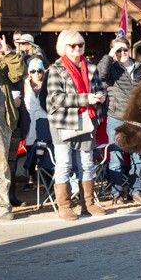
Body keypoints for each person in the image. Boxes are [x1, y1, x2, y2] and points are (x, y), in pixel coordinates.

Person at [46, 29, 107, 221]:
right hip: (62, 122)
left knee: (87, 163)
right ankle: (64, 206)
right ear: (63, 47)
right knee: (64, 164)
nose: (77, 49)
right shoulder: (55, 69)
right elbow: (56, 99)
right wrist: (86, 99)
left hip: (87, 120)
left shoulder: (91, 67)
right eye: (72, 45)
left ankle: (88, 203)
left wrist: (101, 96)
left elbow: (99, 89)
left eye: (80, 45)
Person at [97, 38, 141, 205]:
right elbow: (100, 73)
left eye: (125, 49)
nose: (122, 53)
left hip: (136, 120)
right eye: (118, 50)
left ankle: (136, 191)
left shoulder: (140, 68)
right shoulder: (111, 69)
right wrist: (110, 55)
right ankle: (116, 193)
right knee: (116, 157)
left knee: (137, 158)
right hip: (116, 118)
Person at [0, 35, 26, 220]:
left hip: (0, 123)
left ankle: (1, 206)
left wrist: (7, 51)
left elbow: (18, 72)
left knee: (1, 165)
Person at [20, 58, 48, 191]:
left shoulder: (48, 84)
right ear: (29, 73)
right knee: (30, 150)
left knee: (45, 150)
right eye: (33, 71)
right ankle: (30, 180)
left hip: (44, 120)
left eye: (39, 70)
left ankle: (48, 179)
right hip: (30, 122)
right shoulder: (24, 85)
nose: (37, 73)